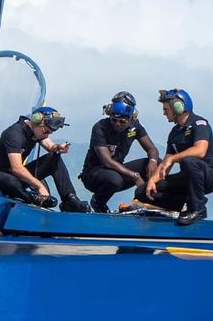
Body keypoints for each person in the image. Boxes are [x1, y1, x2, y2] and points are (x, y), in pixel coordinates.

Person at [0, 106, 89, 211]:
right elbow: (16, 168)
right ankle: (31, 198)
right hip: (0, 177)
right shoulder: (14, 133)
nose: (47, 135)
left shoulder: (36, 132)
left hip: (17, 176)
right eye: (46, 131)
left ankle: (69, 199)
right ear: (36, 120)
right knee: (12, 182)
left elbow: (50, 146)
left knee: (55, 158)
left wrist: (58, 147)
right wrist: (39, 186)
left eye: (50, 132)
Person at [135, 89, 213, 225]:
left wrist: (173, 158)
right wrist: (152, 181)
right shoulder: (174, 132)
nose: (164, 113)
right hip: (187, 178)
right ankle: (185, 205)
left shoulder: (200, 124)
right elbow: (166, 162)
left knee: (189, 161)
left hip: (207, 176)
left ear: (178, 108)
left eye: (166, 109)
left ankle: (198, 209)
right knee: (142, 191)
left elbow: (200, 150)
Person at [80, 92, 159, 212]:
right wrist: (135, 176)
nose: (117, 124)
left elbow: (152, 149)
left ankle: (149, 200)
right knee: (115, 179)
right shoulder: (100, 127)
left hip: (117, 171)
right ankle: (98, 201)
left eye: (122, 122)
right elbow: (107, 162)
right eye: (114, 120)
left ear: (131, 118)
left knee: (157, 163)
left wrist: (152, 162)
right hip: (94, 174)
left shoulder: (134, 127)